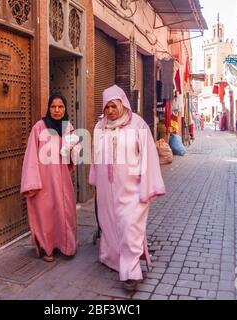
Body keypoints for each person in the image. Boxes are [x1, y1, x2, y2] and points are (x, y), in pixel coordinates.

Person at [89, 85, 166, 291]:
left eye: (114, 106)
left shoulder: (138, 125)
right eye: (107, 108)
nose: (110, 111)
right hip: (107, 189)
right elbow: (96, 156)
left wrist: (149, 185)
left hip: (132, 189)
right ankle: (113, 259)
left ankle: (131, 273)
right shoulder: (100, 127)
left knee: (130, 227)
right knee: (109, 224)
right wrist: (96, 179)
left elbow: (148, 156)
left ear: (123, 104)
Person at [20, 93, 79, 263]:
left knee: (64, 212)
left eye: (60, 107)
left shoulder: (68, 128)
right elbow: (31, 154)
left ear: (65, 108)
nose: (57, 110)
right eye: (53, 107)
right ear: (48, 108)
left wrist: (73, 150)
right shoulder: (39, 127)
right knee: (46, 214)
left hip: (63, 181)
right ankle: (47, 248)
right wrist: (32, 181)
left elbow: (74, 157)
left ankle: (66, 245)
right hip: (44, 181)